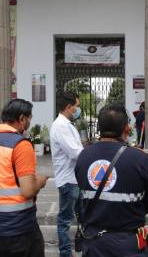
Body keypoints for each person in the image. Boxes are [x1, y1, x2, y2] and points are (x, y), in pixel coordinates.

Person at [75, 104, 148, 256]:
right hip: (128, 240)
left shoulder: (83, 156)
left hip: (94, 241)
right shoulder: (140, 158)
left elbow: (82, 190)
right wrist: (130, 211)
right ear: (126, 128)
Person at [0, 99, 48, 257]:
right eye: (30, 118)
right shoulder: (21, 145)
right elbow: (28, 190)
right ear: (22, 119)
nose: (30, 122)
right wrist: (40, 181)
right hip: (17, 228)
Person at [50, 91, 84, 257]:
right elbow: (74, 152)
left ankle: (85, 246)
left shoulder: (67, 124)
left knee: (83, 215)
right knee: (65, 219)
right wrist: (92, 154)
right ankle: (65, 252)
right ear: (69, 107)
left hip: (75, 179)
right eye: (76, 106)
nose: (78, 110)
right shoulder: (61, 126)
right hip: (68, 180)